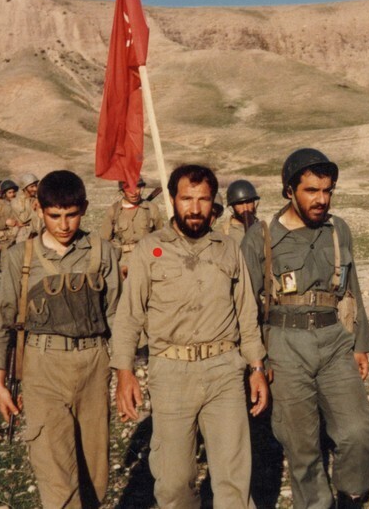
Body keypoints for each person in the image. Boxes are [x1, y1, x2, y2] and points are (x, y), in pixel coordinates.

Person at [112, 164, 268, 509]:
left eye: (203, 199)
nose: (195, 208)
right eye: (187, 199)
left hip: (224, 371)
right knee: (174, 483)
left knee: (233, 481)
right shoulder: (150, 249)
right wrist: (124, 372)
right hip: (171, 373)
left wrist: (257, 367)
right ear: (172, 199)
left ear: (213, 203)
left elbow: (246, 312)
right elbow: (129, 315)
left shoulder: (228, 248)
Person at [241, 148, 369, 508]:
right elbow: (245, 305)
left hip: (334, 341)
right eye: (311, 191)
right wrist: (256, 364)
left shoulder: (338, 229)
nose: (322, 200)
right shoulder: (261, 236)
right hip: (284, 346)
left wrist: (360, 344)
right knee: (301, 446)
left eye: (327, 190)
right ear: (289, 191)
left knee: (360, 432)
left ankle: (351, 495)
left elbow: (352, 288)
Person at [0, 170, 121, 509]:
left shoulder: (103, 252)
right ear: (39, 209)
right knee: (56, 475)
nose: (64, 225)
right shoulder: (20, 258)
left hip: (93, 365)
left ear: (84, 208)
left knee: (95, 474)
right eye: (54, 216)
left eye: (72, 215)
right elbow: (3, 322)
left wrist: (125, 373)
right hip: (42, 367)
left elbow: (117, 317)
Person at [99, 177, 163, 279]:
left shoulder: (151, 209)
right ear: (122, 191)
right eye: (129, 189)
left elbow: (161, 237)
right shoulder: (113, 211)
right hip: (122, 261)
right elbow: (104, 241)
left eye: (137, 188)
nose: (134, 193)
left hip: (147, 258)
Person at [0, 180, 21, 262]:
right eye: (10, 192)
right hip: (6, 239)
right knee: (6, 263)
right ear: (4, 194)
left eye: (14, 192)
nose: (13, 194)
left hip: (19, 238)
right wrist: (5, 223)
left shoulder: (20, 204)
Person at [221, 179, 260, 245]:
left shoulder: (262, 228)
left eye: (248, 202)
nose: (245, 208)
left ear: (254, 203)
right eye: (240, 203)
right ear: (233, 206)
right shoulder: (226, 233)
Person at [12, 173, 41, 241]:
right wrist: (34, 207)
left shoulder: (37, 199)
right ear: (24, 187)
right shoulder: (16, 201)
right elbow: (23, 219)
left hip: (37, 235)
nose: (35, 189)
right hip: (23, 236)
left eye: (36, 186)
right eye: (32, 186)